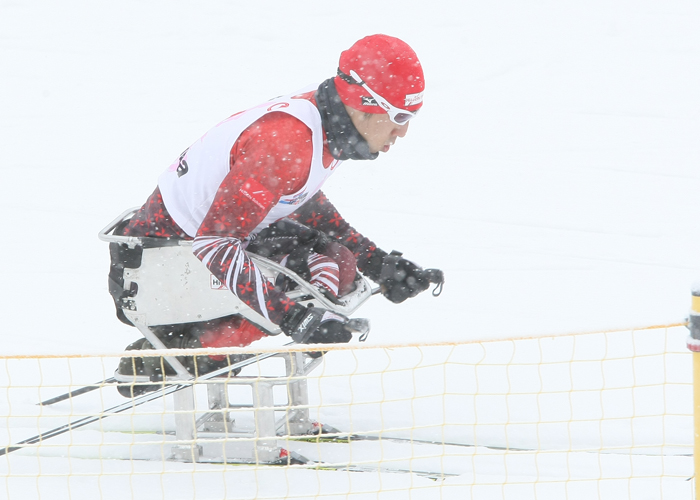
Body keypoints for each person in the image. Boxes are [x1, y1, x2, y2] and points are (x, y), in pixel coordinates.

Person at [108, 34, 443, 392]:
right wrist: (294, 317)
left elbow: (298, 196)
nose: (403, 131)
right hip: (157, 269)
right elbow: (215, 246)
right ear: (363, 103)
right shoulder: (286, 141)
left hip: (187, 247)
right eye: (399, 115)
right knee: (321, 276)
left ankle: (202, 345)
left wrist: (375, 261)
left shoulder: (324, 120)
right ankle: (186, 351)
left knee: (337, 264)